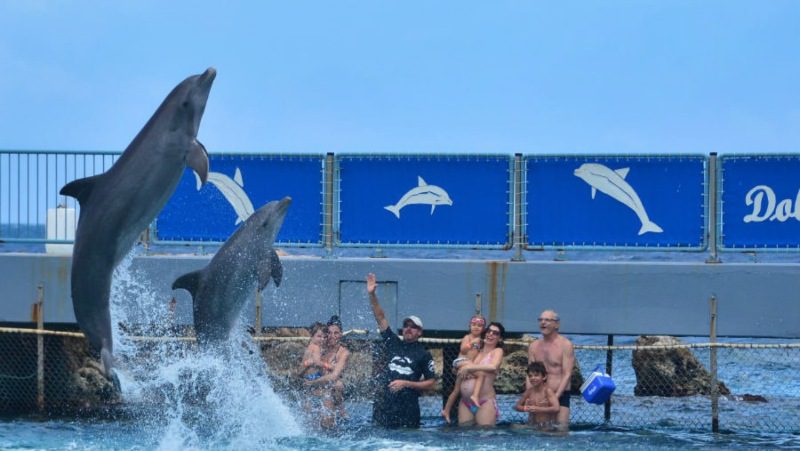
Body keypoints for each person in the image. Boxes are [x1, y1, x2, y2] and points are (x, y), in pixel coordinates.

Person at [367, 273, 436, 428]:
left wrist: (406, 383)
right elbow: (380, 317)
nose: (409, 329)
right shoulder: (393, 342)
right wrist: (372, 295)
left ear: (420, 332)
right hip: (385, 403)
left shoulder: (423, 354)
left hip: (408, 407)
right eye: (406, 326)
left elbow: (431, 382)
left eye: (413, 327)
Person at [527, 309, 575, 430]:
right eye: (540, 320)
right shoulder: (533, 346)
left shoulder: (565, 345)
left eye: (547, 320)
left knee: (560, 431)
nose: (543, 322)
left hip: (560, 394)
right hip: (539, 396)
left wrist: (555, 397)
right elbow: (530, 374)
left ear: (556, 324)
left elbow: (567, 374)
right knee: (535, 431)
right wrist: (529, 396)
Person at [455, 322, 505, 426]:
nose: (490, 334)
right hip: (466, 402)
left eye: (495, 333)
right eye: (489, 331)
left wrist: (470, 368)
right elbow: (459, 365)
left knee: (485, 433)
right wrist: (461, 369)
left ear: (500, 338)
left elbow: (493, 366)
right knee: (463, 432)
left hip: (484, 401)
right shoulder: (476, 351)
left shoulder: (497, 351)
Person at [305, 315, 350, 428]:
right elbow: (304, 365)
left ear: (341, 334)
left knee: (338, 385)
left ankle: (340, 409)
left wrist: (312, 382)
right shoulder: (320, 348)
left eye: (336, 333)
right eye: (329, 333)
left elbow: (334, 376)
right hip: (315, 391)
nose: (332, 336)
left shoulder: (343, 353)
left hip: (330, 391)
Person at [440, 315, 486, 423]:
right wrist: (472, 343)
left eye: (479, 326)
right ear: (469, 326)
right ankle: (475, 396)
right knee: (481, 374)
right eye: (474, 325)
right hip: (461, 361)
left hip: (467, 365)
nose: (476, 327)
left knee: (456, 390)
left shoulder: (481, 341)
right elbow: (463, 350)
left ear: (483, 328)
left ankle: (446, 410)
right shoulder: (467, 337)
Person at [514, 362, 559, 429]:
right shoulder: (529, 392)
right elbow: (517, 406)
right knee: (514, 426)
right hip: (532, 425)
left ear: (544, 377)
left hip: (546, 426)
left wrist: (539, 409)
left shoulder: (547, 391)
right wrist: (525, 408)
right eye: (530, 376)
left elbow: (556, 408)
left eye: (536, 375)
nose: (533, 378)